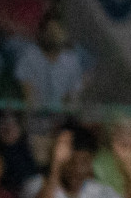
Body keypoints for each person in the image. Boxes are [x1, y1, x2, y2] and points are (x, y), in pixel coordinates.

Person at [15, 12, 85, 142]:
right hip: (36, 118)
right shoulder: (29, 57)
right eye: (50, 30)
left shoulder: (72, 60)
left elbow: (73, 98)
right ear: (43, 32)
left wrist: (66, 122)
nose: (54, 34)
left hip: (61, 120)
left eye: (57, 30)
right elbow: (29, 97)